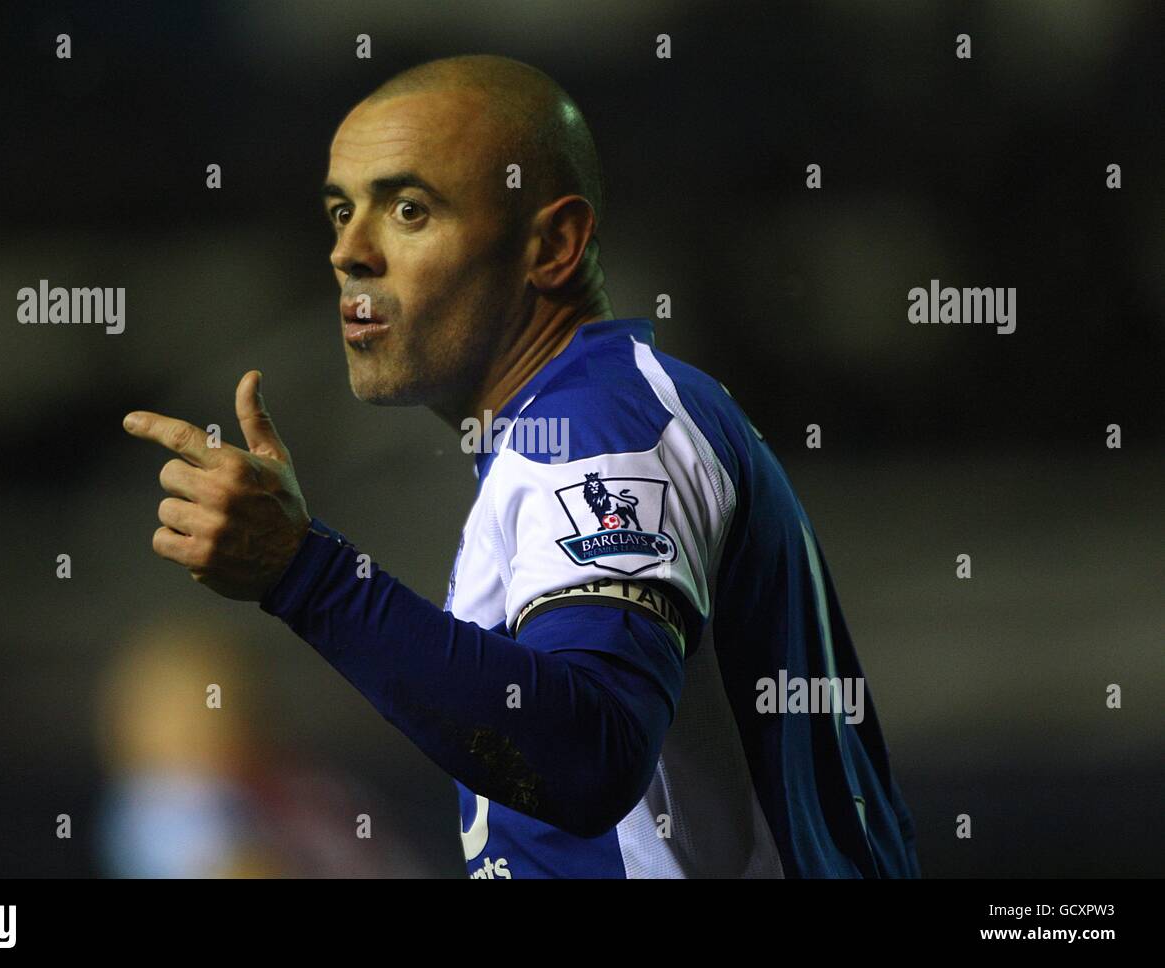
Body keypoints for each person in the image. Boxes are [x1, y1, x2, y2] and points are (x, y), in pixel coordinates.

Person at [123, 54, 920, 878]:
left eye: (406, 208)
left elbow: (591, 753)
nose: (348, 252)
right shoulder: (558, 430)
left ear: (554, 244)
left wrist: (307, 575)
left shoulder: (600, 425)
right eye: (338, 211)